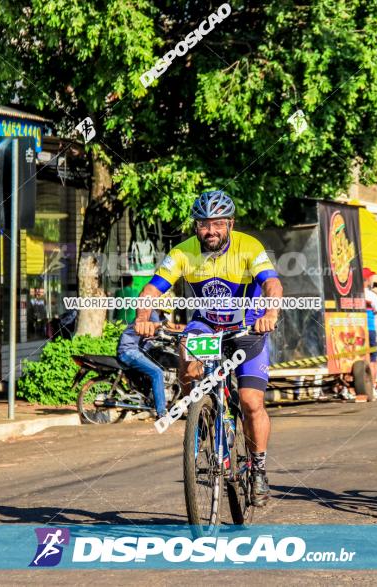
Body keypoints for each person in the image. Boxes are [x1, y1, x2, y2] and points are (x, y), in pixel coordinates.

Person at [133, 190, 282, 506]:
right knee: (187, 351)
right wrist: (143, 316)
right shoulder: (183, 253)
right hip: (207, 325)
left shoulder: (249, 247)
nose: (210, 230)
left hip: (247, 327)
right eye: (203, 224)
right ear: (196, 226)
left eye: (217, 224)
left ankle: (258, 469)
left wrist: (270, 313)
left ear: (230, 223)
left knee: (250, 401)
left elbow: (272, 284)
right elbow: (152, 288)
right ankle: (197, 416)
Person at [116, 306, 182, 418]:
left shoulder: (160, 317)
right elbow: (164, 329)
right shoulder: (152, 313)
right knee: (157, 372)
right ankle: (161, 412)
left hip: (136, 350)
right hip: (129, 350)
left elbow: (173, 327)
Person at [362, 268, 377, 393]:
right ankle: (372, 387)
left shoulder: (352, 293)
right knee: (373, 359)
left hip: (355, 329)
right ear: (368, 279)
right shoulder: (370, 295)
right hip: (369, 329)